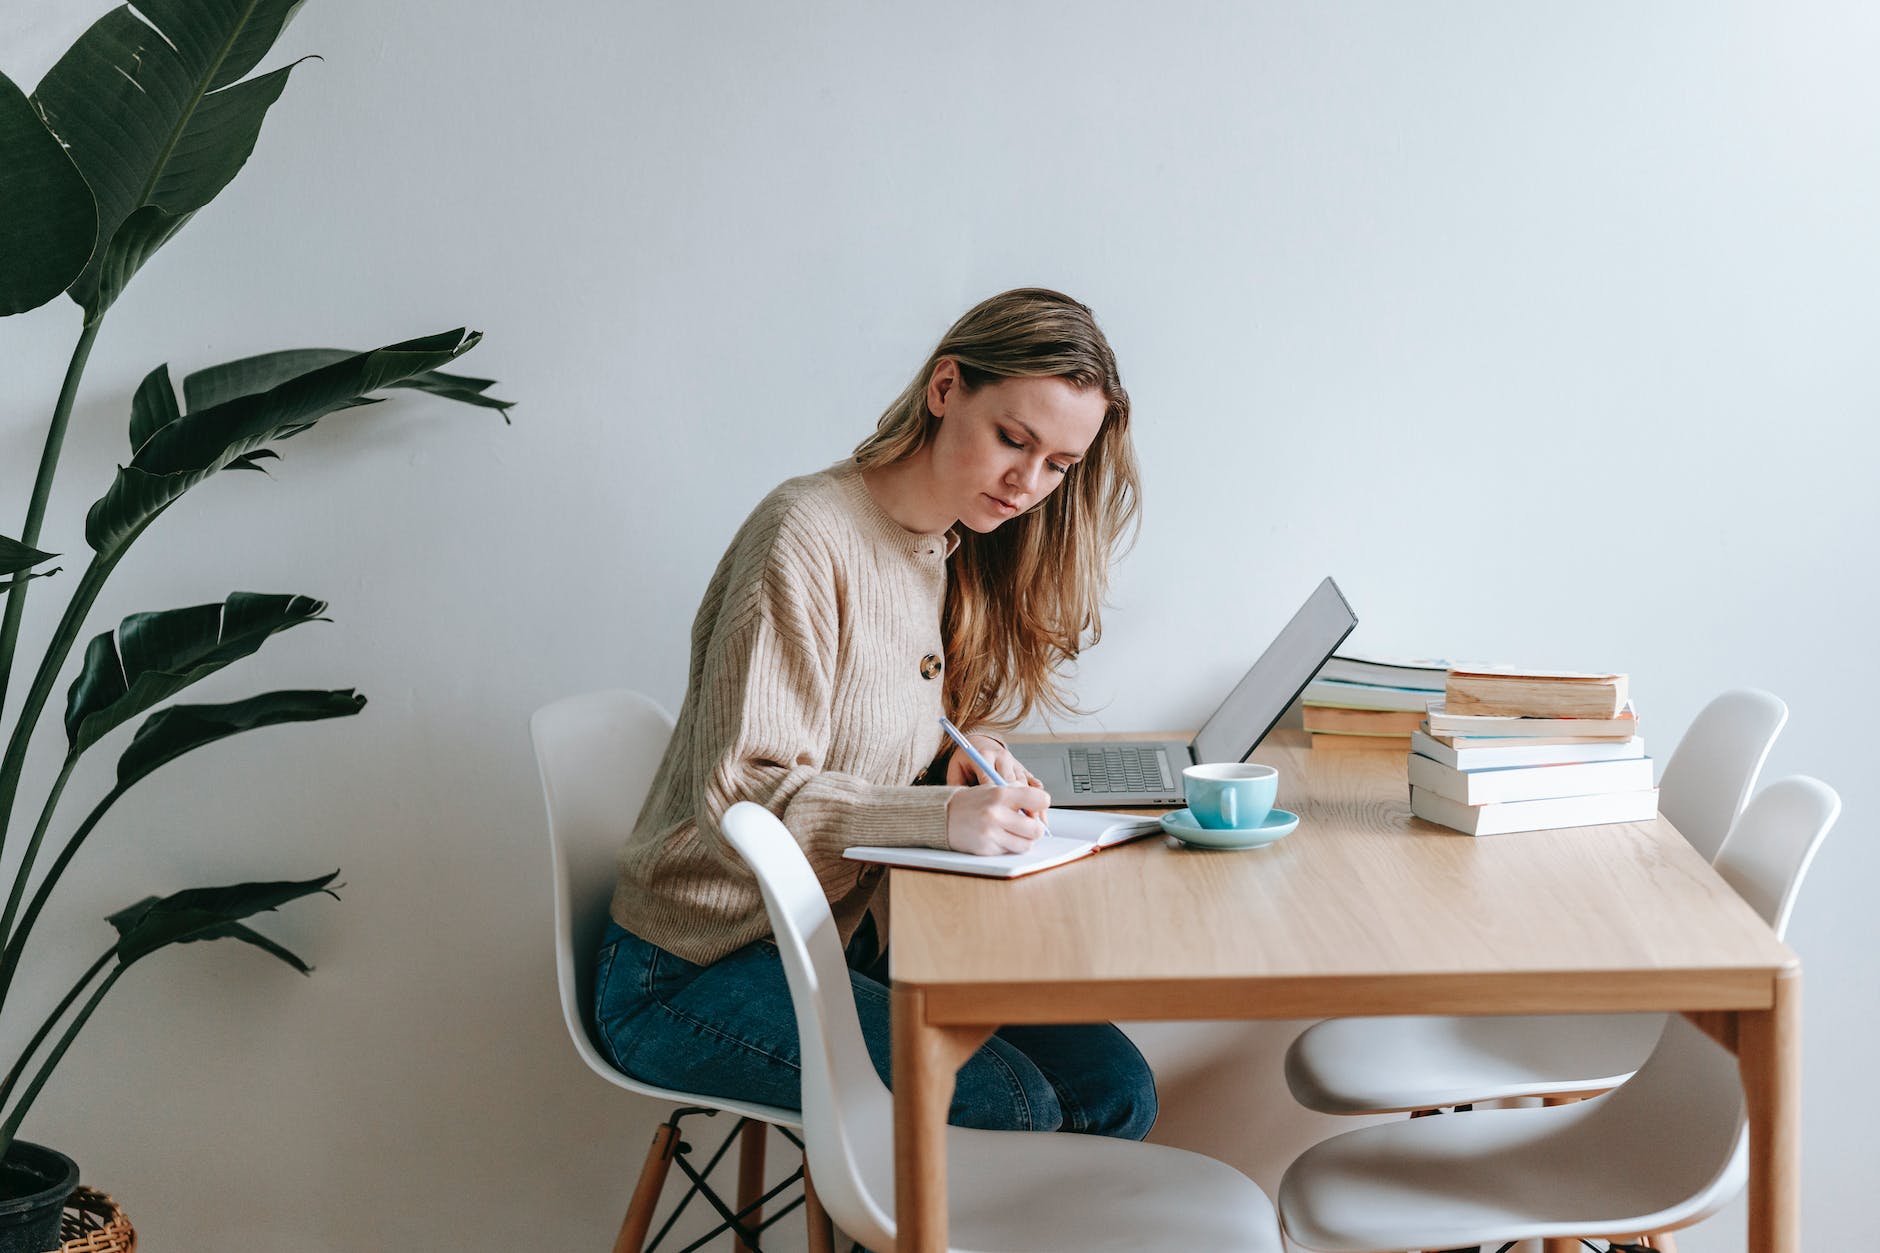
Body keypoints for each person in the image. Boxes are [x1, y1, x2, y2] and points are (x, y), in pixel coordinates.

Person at [594, 287, 1153, 1140]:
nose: (1028, 483)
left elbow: (860, 733)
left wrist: (951, 764)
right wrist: (940, 814)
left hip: (831, 940)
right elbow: (742, 794)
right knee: (1007, 1102)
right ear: (945, 388)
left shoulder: (939, 547)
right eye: (1014, 438)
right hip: (691, 965)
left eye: (1059, 464)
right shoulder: (805, 536)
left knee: (1114, 1086)